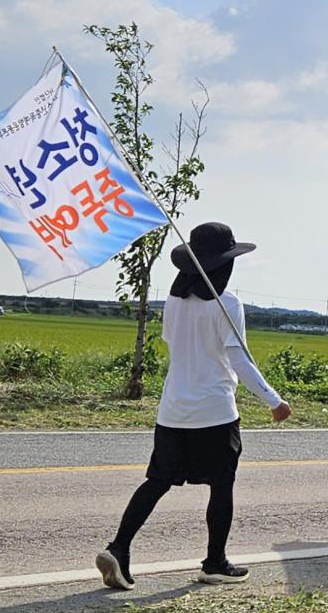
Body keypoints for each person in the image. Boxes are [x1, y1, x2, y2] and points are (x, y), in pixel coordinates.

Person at [96, 222, 292, 590]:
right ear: (223, 264)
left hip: (172, 410)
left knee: (157, 481)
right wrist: (274, 400)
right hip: (214, 412)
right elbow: (239, 360)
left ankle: (118, 548)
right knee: (222, 485)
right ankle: (215, 562)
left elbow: (176, 344)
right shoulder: (227, 304)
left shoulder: (173, 302)